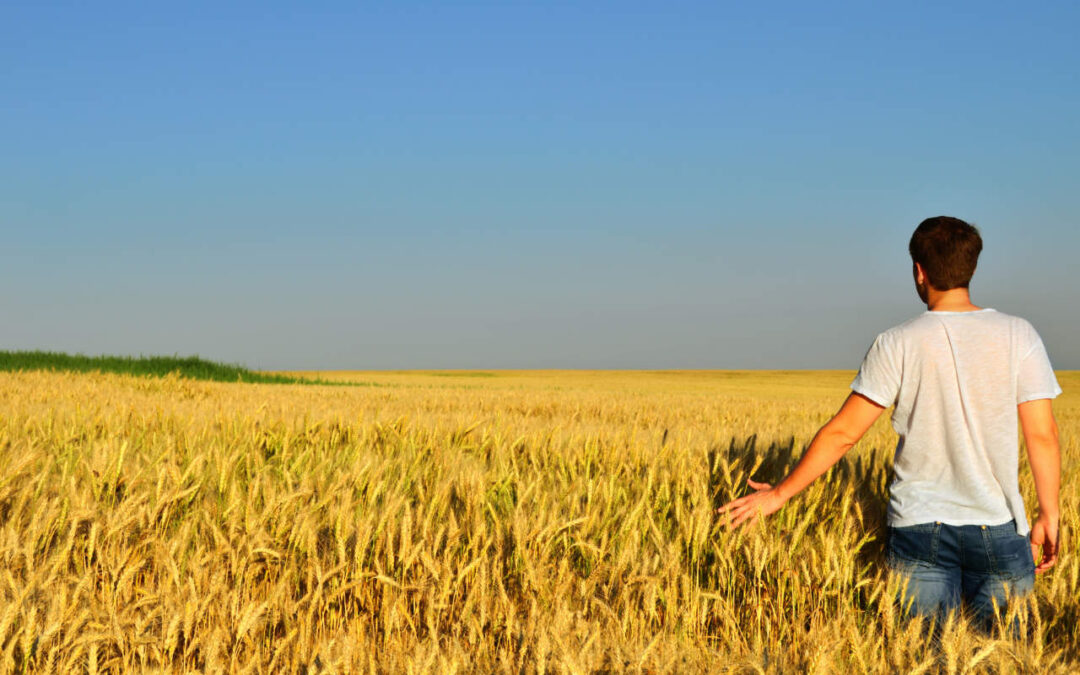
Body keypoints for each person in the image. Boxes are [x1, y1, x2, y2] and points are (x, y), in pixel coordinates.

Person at [717, 216, 1062, 632]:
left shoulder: (897, 341)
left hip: (919, 528)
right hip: (1000, 526)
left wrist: (779, 495)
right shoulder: (1019, 335)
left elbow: (843, 434)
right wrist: (1049, 513)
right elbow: (1042, 435)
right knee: (1004, 658)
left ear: (920, 271)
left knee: (922, 656)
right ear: (972, 267)